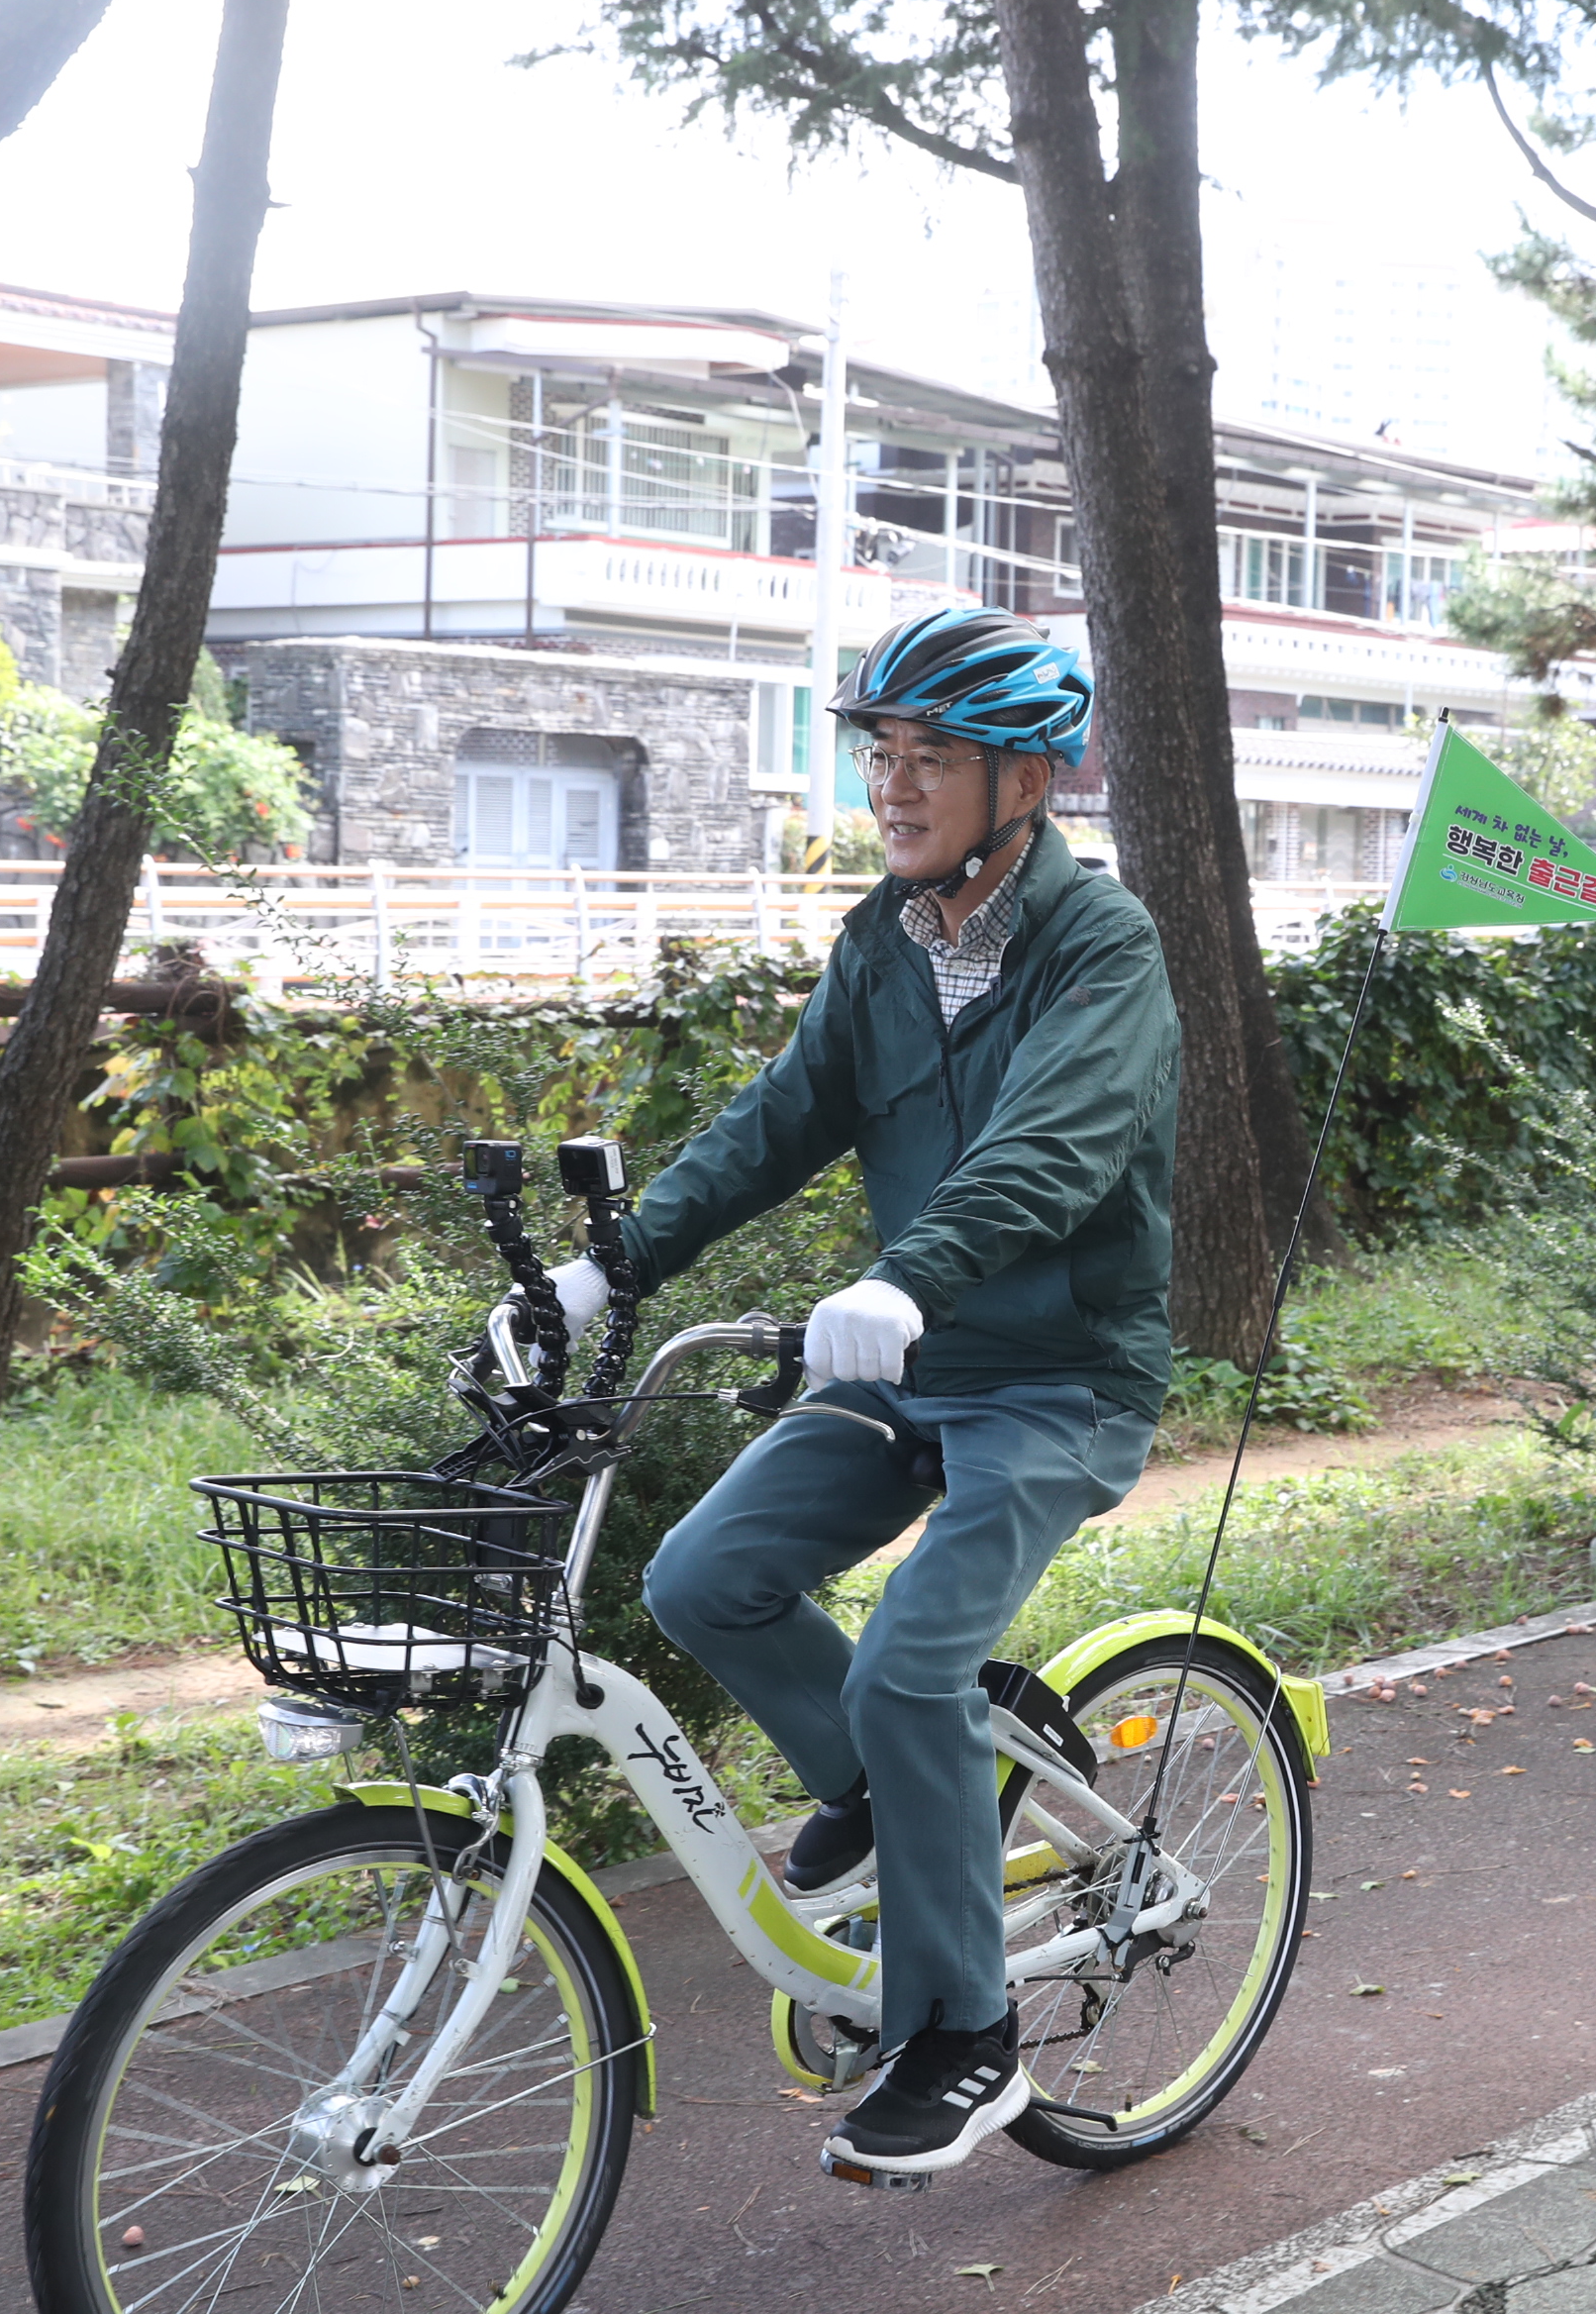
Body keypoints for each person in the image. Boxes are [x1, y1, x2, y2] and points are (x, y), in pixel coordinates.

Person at [527, 605, 1176, 2179]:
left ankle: (967, 2035)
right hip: (910, 1360)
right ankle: (898, 1791)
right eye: (880, 754)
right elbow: (781, 1118)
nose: (893, 785)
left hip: (1056, 1379)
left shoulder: (1103, 948)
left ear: (1028, 780)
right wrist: (612, 1266)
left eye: (931, 755)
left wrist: (905, 1276)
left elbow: (1056, 1146)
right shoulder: (884, 938)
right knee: (705, 1578)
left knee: (901, 1668)